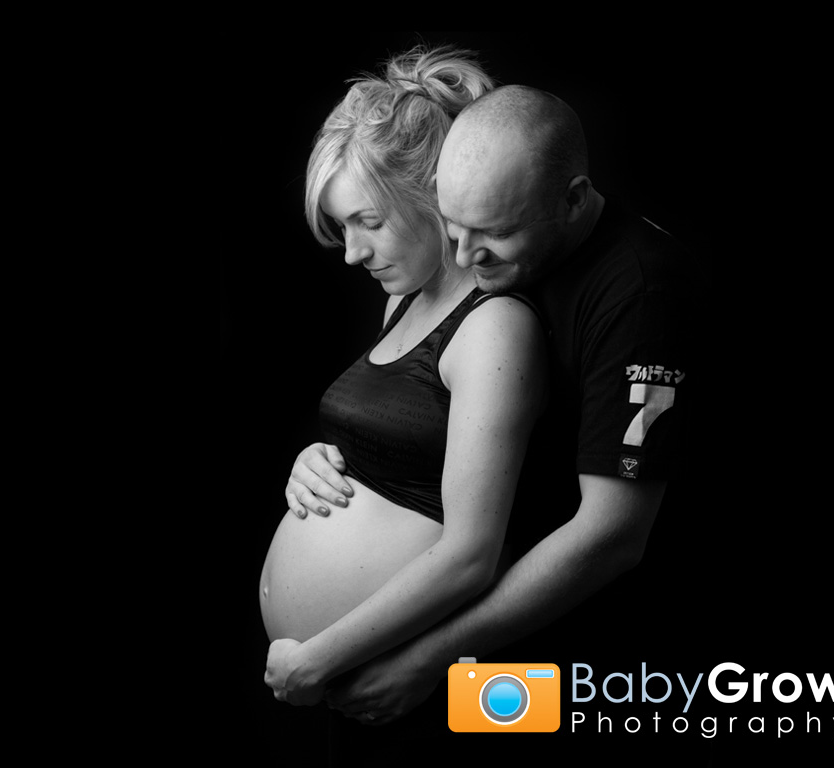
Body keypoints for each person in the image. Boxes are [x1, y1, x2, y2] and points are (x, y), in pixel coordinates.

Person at [285, 83, 705, 726]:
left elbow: (614, 535)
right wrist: (330, 461)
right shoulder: (482, 256)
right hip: (485, 644)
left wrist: (430, 658)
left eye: (495, 234)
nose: (463, 257)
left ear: (570, 201)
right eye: (455, 229)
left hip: (594, 664)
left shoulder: (640, 297)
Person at [259, 50, 547, 724]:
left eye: (370, 221)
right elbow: (402, 444)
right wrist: (319, 463)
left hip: (434, 687)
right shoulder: (405, 301)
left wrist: (320, 657)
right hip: (351, 683)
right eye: (343, 227)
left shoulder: (494, 325)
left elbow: (473, 554)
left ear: (431, 194)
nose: (354, 253)